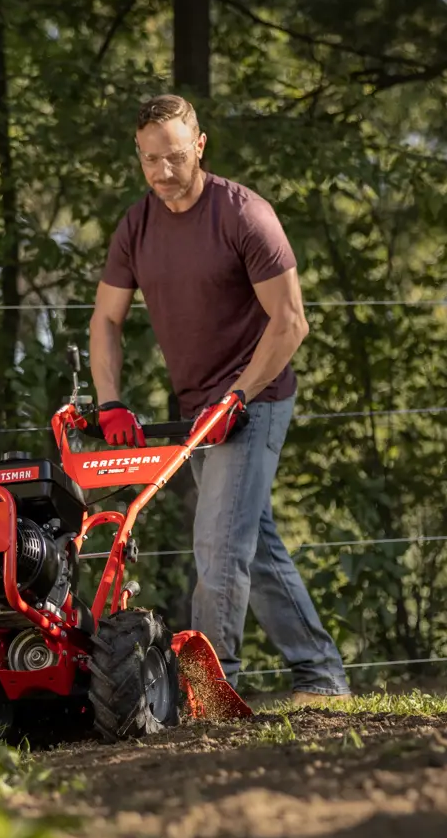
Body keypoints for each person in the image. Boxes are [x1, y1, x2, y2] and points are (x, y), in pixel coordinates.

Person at [89, 94, 351, 705]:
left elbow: (291, 322)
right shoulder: (137, 226)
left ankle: (209, 690)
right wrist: (109, 400)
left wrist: (236, 397)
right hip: (195, 409)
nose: (162, 172)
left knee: (218, 544)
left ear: (200, 146)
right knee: (251, 544)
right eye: (150, 159)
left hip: (255, 397)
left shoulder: (243, 215)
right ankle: (320, 675)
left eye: (175, 157)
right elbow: (106, 318)